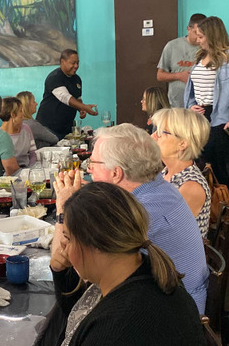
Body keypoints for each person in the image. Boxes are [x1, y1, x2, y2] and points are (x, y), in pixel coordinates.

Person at [47, 181, 207, 346]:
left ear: (95, 245)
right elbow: (82, 314)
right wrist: (62, 272)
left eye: (69, 239)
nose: (64, 249)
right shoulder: (146, 269)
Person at [56, 123, 208, 313]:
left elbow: (84, 270)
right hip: (174, 300)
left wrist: (64, 209)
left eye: (93, 163)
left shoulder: (140, 213)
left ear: (116, 173)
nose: (89, 170)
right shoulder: (158, 187)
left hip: (169, 315)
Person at [184, 16, 229, 187]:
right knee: (199, 162)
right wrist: (190, 106)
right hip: (200, 114)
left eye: (201, 36)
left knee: (216, 164)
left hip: (221, 115)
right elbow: (192, 88)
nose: (198, 40)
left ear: (212, 35)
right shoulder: (200, 57)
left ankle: (225, 207)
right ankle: (206, 204)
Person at [151, 108, 211, 238]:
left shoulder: (190, 186)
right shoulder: (166, 171)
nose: (153, 136)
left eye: (161, 132)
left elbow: (164, 233)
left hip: (177, 257)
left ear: (182, 144)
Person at [36, 49, 98, 139]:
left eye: (78, 63)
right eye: (73, 63)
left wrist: (81, 109)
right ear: (62, 61)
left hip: (67, 128)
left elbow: (77, 97)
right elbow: (66, 97)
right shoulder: (55, 77)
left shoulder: (77, 79)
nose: (76, 66)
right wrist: (84, 107)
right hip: (48, 128)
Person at [157, 13, 206, 108]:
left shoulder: (207, 48)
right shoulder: (172, 46)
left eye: (202, 34)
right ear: (188, 29)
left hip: (201, 106)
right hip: (177, 105)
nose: (198, 37)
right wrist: (179, 76)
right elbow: (160, 75)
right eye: (196, 33)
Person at [0, 96, 37, 167]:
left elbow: (33, 153)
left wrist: (30, 169)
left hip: (28, 170)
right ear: (13, 115)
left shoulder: (26, 129)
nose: (23, 114)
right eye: (20, 111)